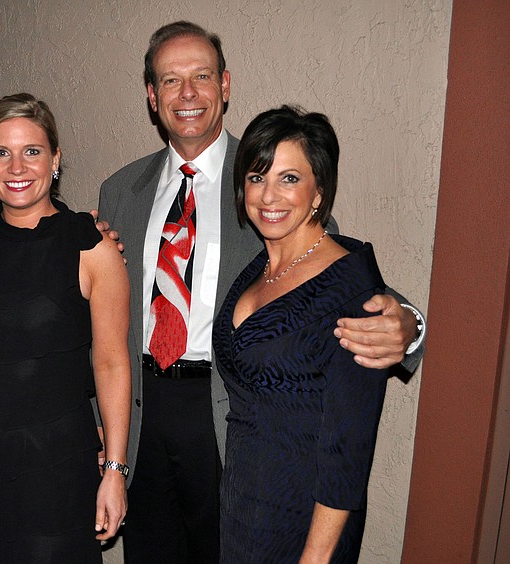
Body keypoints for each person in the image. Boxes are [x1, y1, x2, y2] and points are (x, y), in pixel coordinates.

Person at [97, 21, 425, 563]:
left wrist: (410, 324)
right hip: (142, 414)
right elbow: (102, 317)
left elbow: (333, 273)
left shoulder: (265, 178)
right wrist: (104, 432)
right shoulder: (120, 191)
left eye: (202, 76)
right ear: (152, 97)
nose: (187, 93)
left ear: (225, 85)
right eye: (171, 80)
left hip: (226, 413)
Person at [0, 93, 130, 563]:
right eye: (1, 152)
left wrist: (115, 469)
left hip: (54, 468)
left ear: (55, 159)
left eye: (32, 151)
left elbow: (111, 363)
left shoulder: (92, 247)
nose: (17, 167)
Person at [213, 105, 389, 562]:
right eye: (257, 177)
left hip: (304, 524)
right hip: (242, 508)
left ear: (319, 191)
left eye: (289, 178)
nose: (268, 195)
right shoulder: (258, 267)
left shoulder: (352, 292)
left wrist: (315, 558)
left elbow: (348, 452)